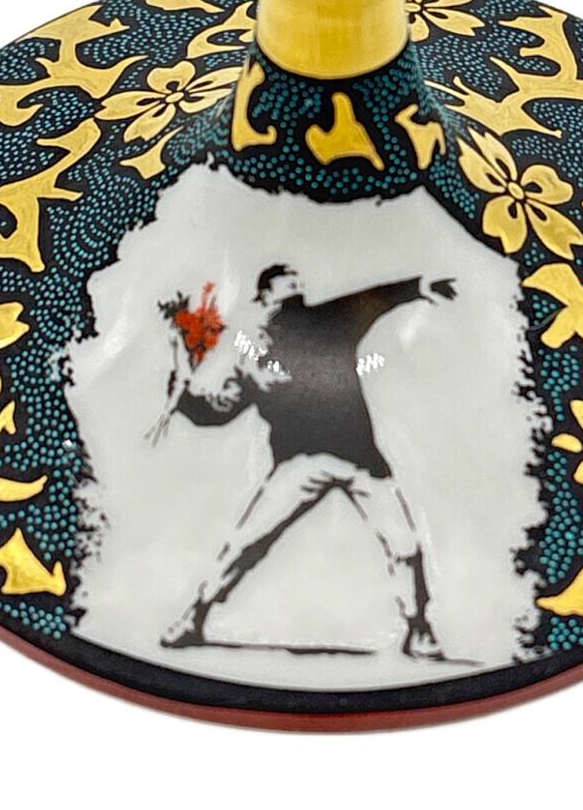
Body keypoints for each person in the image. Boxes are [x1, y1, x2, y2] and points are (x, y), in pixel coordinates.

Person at [160, 263, 457, 659]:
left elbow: (371, 299)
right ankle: (194, 617)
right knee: (245, 543)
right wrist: (182, 395)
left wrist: (418, 286)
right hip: (299, 464)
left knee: (404, 542)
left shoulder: (328, 322)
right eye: (286, 290)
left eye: (299, 290)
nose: (296, 294)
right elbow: (218, 412)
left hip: (361, 461)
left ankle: (419, 630)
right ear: (263, 299)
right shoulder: (252, 358)